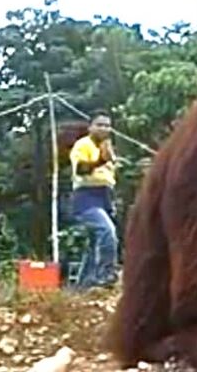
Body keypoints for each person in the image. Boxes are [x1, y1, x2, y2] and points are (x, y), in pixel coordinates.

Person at [68, 109, 120, 289]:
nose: (104, 129)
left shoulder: (107, 147)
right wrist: (100, 160)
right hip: (86, 198)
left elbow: (109, 177)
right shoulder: (83, 145)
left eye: (107, 126)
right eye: (99, 125)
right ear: (90, 127)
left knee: (94, 245)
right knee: (107, 233)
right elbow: (81, 169)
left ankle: (82, 287)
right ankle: (106, 275)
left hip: (104, 197)